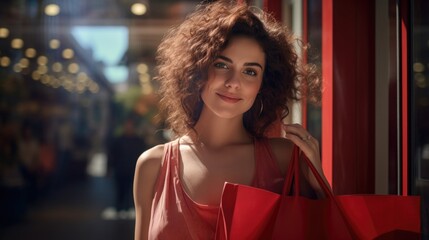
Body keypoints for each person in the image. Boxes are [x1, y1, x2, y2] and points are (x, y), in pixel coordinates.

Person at [133, 1, 327, 239]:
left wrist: (317, 177)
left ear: (263, 85)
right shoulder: (152, 165)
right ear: (197, 70)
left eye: (250, 71)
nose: (234, 82)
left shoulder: (285, 158)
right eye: (222, 64)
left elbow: (326, 228)